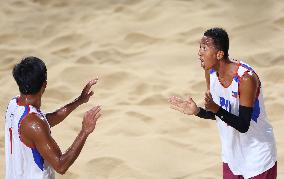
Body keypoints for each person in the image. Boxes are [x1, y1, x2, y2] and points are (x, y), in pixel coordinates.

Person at [168, 28, 277, 179]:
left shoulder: (245, 79)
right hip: (232, 158)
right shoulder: (210, 73)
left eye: (204, 48)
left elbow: (243, 125)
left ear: (219, 54)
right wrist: (197, 111)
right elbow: (218, 114)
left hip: (258, 158)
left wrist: (216, 109)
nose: (199, 52)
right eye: (200, 47)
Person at [5, 56, 102, 179]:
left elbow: (44, 122)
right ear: (45, 84)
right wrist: (85, 131)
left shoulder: (13, 104)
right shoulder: (34, 123)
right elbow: (61, 165)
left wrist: (79, 101)